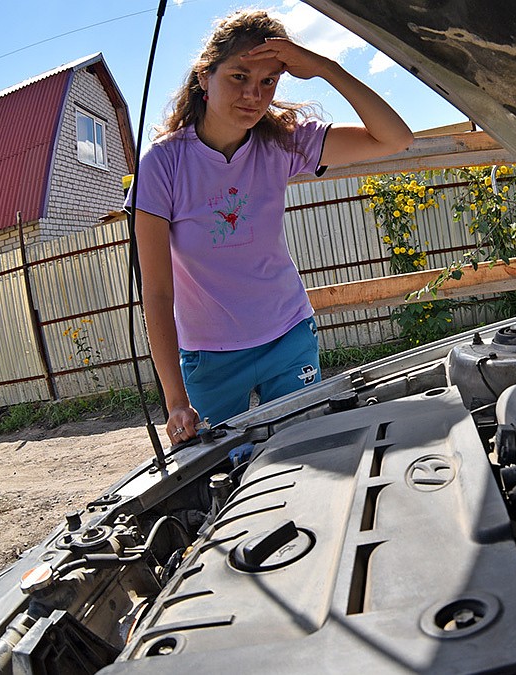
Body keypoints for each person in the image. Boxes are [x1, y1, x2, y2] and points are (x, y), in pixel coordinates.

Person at [128, 9, 413, 445]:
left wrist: (325, 68)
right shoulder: (162, 164)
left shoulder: (283, 140)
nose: (253, 95)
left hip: (288, 336)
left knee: (311, 454)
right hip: (210, 358)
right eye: (238, 77)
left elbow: (396, 138)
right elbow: (157, 293)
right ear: (205, 77)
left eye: (268, 82)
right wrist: (175, 400)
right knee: (224, 479)